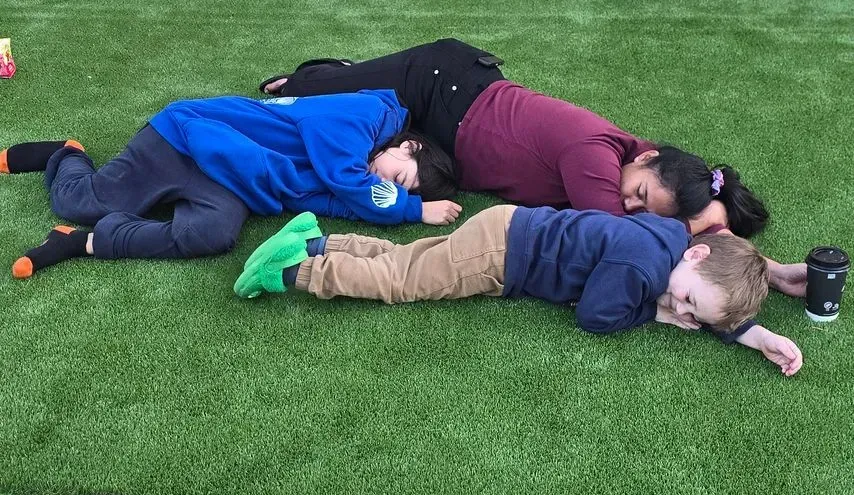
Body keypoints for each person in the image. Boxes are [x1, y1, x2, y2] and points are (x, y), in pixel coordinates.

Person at [258, 40, 806, 298]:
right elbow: (637, 240)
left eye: (641, 205)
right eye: (636, 193)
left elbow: (671, 225)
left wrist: (763, 266)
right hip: (442, 83)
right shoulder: (595, 157)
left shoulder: (639, 162)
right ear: (645, 158)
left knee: (380, 132)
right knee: (303, 91)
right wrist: (752, 270)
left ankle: (346, 76)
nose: (630, 206)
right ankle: (327, 71)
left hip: (445, 134)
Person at [232, 204, 803, 376]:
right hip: (502, 256)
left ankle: (315, 240)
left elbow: (707, 299)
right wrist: (652, 314)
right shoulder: (645, 274)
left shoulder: (672, 238)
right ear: (697, 255)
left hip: (507, 226)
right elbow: (597, 316)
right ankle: (291, 273)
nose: (682, 309)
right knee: (404, 282)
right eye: (688, 300)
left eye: (691, 314)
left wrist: (752, 335)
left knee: (413, 257)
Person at [1, 90, 460, 277]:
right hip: (185, 139)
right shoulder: (363, 119)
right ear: (408, 147)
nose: (388, 184)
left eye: (399, 190)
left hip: (231, 183)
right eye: (399, 178)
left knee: (210, 235)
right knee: (81, 200)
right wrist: (412, 211)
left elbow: (338, 199)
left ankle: (82, 244)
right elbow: (347, 181)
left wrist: (396, 204)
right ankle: (67, 154)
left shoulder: (356, 170)